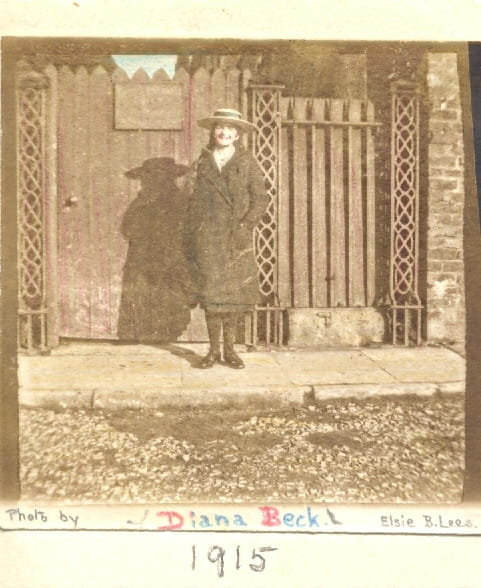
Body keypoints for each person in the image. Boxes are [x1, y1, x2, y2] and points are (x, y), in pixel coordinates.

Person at [186, 108, 269, 369]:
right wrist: (197, 229)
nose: (224, 132)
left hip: (236, 238)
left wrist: (245, 226)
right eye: (219, 127)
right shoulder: (202, 161)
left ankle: (230, 351)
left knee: (232, 298)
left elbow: (261, 199)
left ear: (237, 134)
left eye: (230, 128)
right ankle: (212, 352)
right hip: (208, 239)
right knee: (212, 297)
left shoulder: (247, 161)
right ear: (213, 132)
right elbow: (192, 198)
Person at [118, 157, 195, 343]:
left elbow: (183, 231)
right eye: (146, 178)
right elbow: (127, 228)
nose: (146, 182)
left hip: (169, 261)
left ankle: (161, 335)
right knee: (140, 297)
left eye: (151, 178)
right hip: (142, 260)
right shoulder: (143, 200)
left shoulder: (178, 200)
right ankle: (142, 335)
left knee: (166, 300)